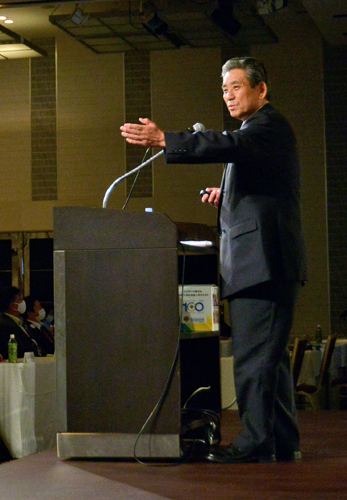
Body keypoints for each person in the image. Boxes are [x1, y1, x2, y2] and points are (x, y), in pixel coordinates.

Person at [120, 57, 306, 464]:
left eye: (236, 86)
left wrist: (166, 139)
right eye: (224, 89)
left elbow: (229, 145)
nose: (229, 95)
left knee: (254, 360)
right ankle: (281, 441)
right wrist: (228, 196)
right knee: (268, 361)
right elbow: (264, 185)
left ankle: (256, 443)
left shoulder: (266, 126)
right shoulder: (257, 133)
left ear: (261, 89)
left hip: (263, 264)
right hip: (263, 262)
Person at [0, 287, 42, 358]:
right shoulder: (5, 326)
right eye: (20, 300)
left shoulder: (22, 322)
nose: (23, 302)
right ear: (12, 306)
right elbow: (20, 350)